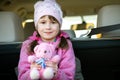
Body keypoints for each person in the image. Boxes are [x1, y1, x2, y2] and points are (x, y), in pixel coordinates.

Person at [18, 0, 76, 80]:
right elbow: (22, 77)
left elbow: (69, 77)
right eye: (43, 22)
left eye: (53, 22)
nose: (48, 27)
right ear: (36, 26)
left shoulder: (65, 44)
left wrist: (56, 73)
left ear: (59, 25)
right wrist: (32, 73)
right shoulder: (27, 45)